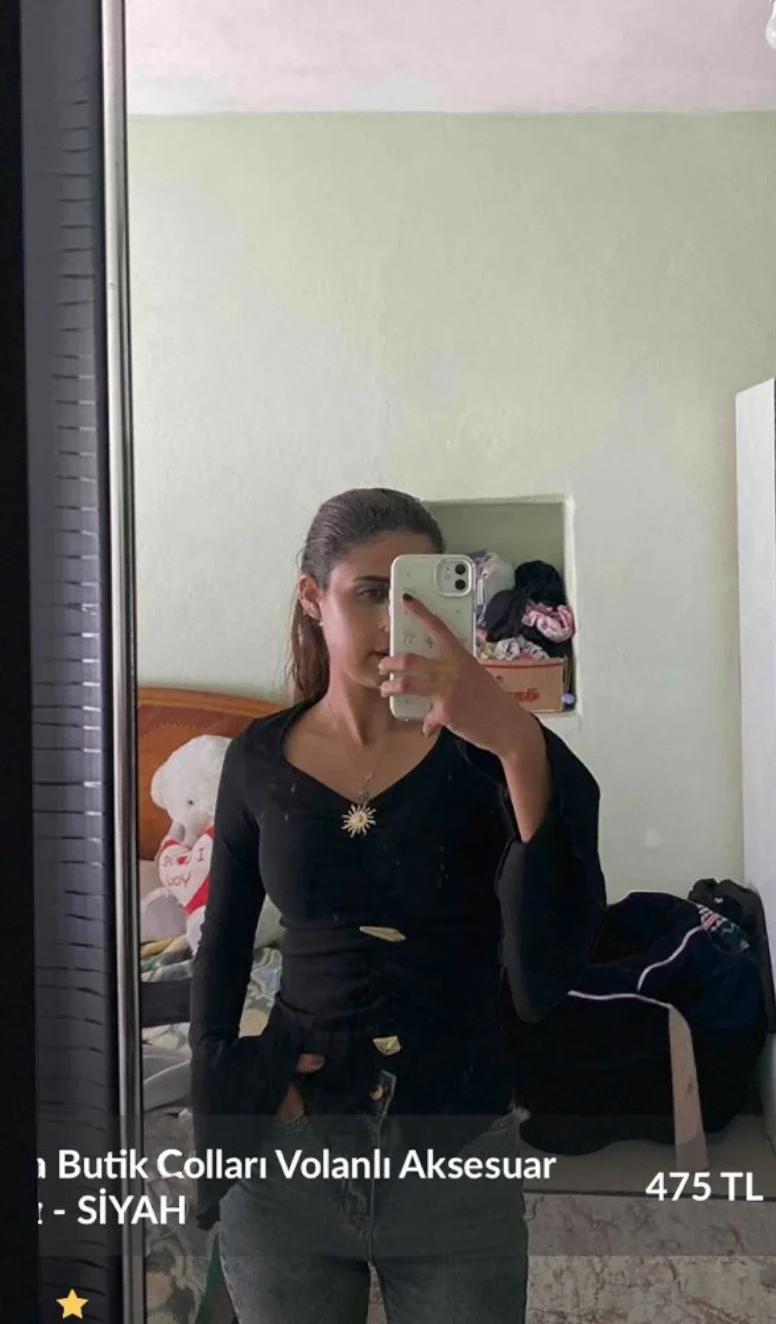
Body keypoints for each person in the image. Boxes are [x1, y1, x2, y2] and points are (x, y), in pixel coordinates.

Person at [189, 488, 605, 1324]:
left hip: (457, 1145)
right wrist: (228, 1088)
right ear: (313, 599)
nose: (394, 619)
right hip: (290, 1149)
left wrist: (516, 740)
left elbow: (544, 970)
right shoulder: (259, 760)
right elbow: (224, 944)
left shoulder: (492, 754)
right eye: (369, 593)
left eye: (415, 594)